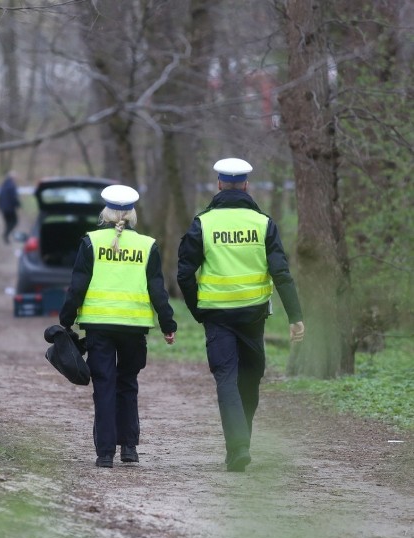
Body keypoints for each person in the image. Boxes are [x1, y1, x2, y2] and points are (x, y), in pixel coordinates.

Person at [177, 158, 305, 473]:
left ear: (219, 184)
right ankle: (240, 444)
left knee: (226, 379)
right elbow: (282, 273)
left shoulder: (203, 224)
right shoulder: (263, 223)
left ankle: (238, 447)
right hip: (253, 317)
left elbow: (183, 274)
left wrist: (198, 310)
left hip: (217, 317)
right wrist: (295, 316)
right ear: (246, 185)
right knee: (250, 379)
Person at [59, 184, 177, 468]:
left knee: (104, 386)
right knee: (127, 383)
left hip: (99, 327)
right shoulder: (147, 245)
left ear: (106, 212)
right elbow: (157, 289)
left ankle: (105, 454)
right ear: (133, 214)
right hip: (134, 328)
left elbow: (78, 285)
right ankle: (130, 449)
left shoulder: (90, 242)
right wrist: (167, 323)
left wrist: (66, 320)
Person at [0, 170, 20, 244]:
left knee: (8, 222)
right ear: (13, 177)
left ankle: (7, 237)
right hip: (10, 208)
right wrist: (18, 204)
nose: (16, 178)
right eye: (15, 177)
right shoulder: (12, 186)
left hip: (3, 208)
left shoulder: (3, 184)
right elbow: (14, 197)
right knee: (14, 222)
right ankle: (6, 235)